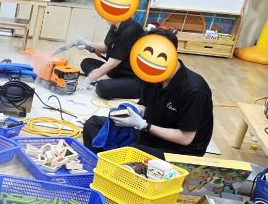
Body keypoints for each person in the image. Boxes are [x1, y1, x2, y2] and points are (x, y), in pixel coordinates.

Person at [82, 29, 213, 159]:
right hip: (151, 135)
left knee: (132, 152)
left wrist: (144, 125)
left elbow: (185, 138)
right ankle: (98, 164)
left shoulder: (194, 90)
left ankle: (111, 164)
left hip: (178, 151)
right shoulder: (152, 75)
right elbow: (144, 106)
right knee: (93, 124)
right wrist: (131, 112)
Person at [68, 15, 145, 99]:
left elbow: (112, 63)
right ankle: (106, 79)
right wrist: (87, 44)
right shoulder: (115, 26)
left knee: (103, 88)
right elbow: (105, 47)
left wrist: (89, 79)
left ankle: (105, 80)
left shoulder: (130, 30)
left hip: (132, 77)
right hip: (117, 70)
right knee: (86, 63)